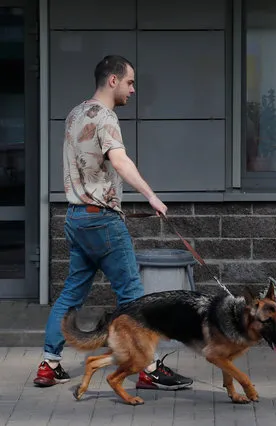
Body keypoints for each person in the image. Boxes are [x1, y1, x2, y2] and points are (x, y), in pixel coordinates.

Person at [34, 55, 193, 391]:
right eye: (130, 82)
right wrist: (151, 196)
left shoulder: (76, 113)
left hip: (76, 218)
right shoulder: (105, 118)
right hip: (103, 221)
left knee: (71, 295)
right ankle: (148, 370)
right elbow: (119, 161)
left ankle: (49, 365)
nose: (132, 90)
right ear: (112, 80)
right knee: (134, 297)